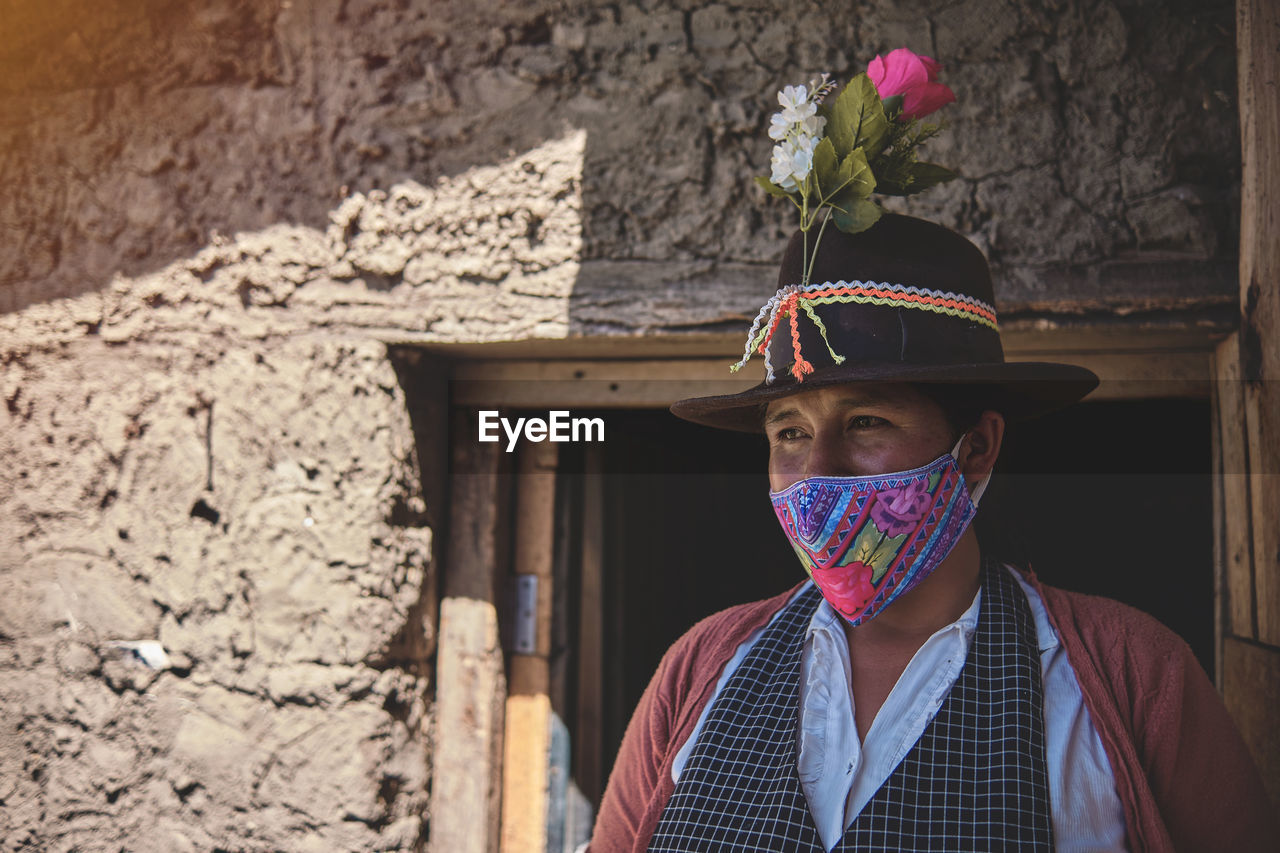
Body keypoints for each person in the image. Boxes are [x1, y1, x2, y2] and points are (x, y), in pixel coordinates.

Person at [587, 214, 1276, 851]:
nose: (816, 470)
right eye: (790, 431)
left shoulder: (1131, 677)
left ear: (976, 447)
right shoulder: (700, 667)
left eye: (866, 423)